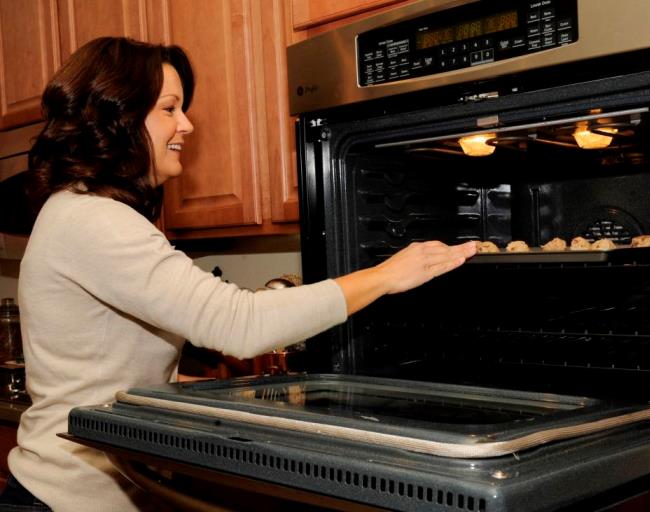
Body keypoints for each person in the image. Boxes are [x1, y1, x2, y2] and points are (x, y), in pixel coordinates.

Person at [0, 37, 476, 511]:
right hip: (67, 497)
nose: (185, 124)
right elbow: (239, 323)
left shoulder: (79, 211)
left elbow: (109, 373)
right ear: (120, 119)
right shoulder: (94, 218)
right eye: (169, 108)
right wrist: (386, 275)